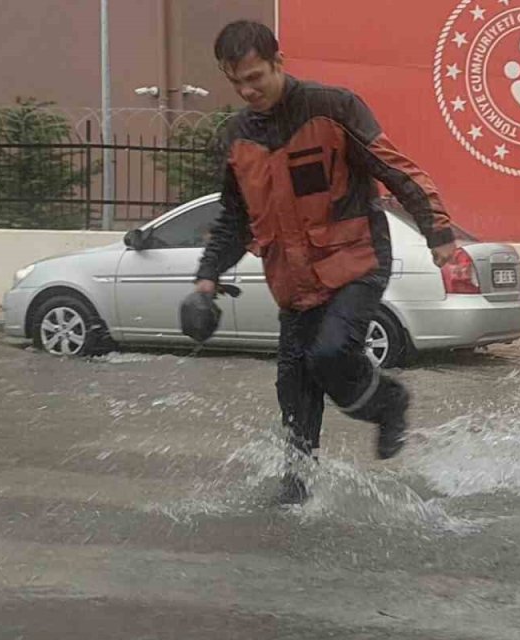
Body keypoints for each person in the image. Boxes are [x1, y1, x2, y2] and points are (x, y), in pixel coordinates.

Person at [192, 20, 456, 504]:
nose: (248, 90)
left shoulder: (333, 108)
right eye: (237, 83)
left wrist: (437, 231)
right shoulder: (235, 139)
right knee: (294, 391)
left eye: (256, 77)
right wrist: (206, 279)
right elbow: (235, 219)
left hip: (356, 264)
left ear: (279, 63)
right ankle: (297, 489)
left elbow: (394, 168)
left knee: (331, 354)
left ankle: (388, 402)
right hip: (293, 286)